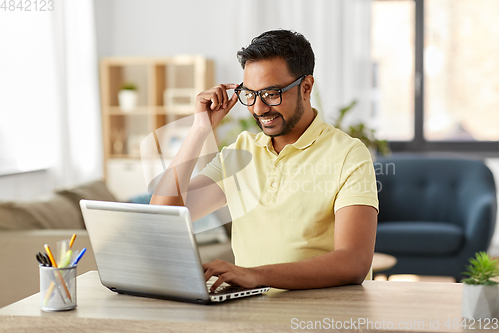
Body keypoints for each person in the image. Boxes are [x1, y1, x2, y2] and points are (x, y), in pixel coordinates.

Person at [150, 30, 378, 292]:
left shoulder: (349, 154)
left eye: (271, 94)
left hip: (318, 314)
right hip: (250, 311)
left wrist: (255, 276)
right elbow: (162, 215)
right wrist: (199, 130)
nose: (258, 109)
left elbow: (354, 262)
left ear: (306, 87)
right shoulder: (241, 151)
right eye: (250, 94)